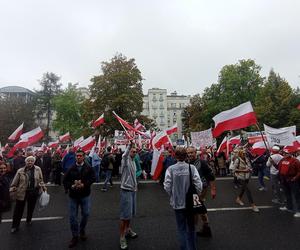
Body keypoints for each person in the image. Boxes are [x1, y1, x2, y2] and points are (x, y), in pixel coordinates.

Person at [164, 147, 202, 250]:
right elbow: (199, 184)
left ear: (175, 156)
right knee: (191, 228)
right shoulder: (191, 168)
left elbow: (167, 186)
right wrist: (196, 195)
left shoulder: (170, 169)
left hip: (177, 202)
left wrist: (172, 195)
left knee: (181, 229)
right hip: (190, 203)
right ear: (186, 156)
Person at [63, 149, 96, 248]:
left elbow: (93, 178)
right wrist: (71, 186)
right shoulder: (71, 168)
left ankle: (81, 230)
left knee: (86, 214)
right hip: (73, 196)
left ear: (84, 157)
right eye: (77, 156)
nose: (78, 157)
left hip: (85, 195)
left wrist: (84, 185)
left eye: (80, 156)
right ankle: (75, 236)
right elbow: (65, 180)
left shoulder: (88, 167)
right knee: (73, 217)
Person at [9, 156, 45, 233]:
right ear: (26, 162)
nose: (30, 162)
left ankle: (29, 220)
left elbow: (41, 180)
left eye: (32, 161)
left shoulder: (38, 169)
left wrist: (43, 187)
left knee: (31, 208)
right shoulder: (20, 171)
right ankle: (15, 226)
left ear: (34, 162)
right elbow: (14, 182)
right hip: (22, 192)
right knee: (18, 210)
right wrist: (12, 188)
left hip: (33, 192)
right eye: (28, 161)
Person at [186, 146, 216, 237]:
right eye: (188, 153)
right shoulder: (186, 162)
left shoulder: (202, 162)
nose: (190, 154)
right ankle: (206, 228)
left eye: (192, 152)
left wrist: (213, 189)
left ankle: (194, 231)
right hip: (191, 190)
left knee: (196, 209)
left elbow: (211, 175)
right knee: (199, 208)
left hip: (200, 190)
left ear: (196, 153)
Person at [119, 142, 138, 250]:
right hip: (125, 191)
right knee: (124, 215)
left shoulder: (133, 161)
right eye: (132, 151)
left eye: (135, 152)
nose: (134, 153)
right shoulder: (125, 160)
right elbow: (124, 155)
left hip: (133, 190)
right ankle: (122, 237)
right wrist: (129, 145)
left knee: (130, 213)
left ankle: (128, 229)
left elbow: (133, 175)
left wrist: (136, 186)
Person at [278, 148, 300, 217]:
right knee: (287, 194)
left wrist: (295, 178)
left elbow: (299, 171)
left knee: (297, 196)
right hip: (284, 180)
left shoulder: (295, 161)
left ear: (290, 154)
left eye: (286, 153)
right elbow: (279, 168)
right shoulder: (282, 160)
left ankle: (299, 211)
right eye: (283, 153)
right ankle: (289, 206)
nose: (284, 154)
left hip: (293, 180)